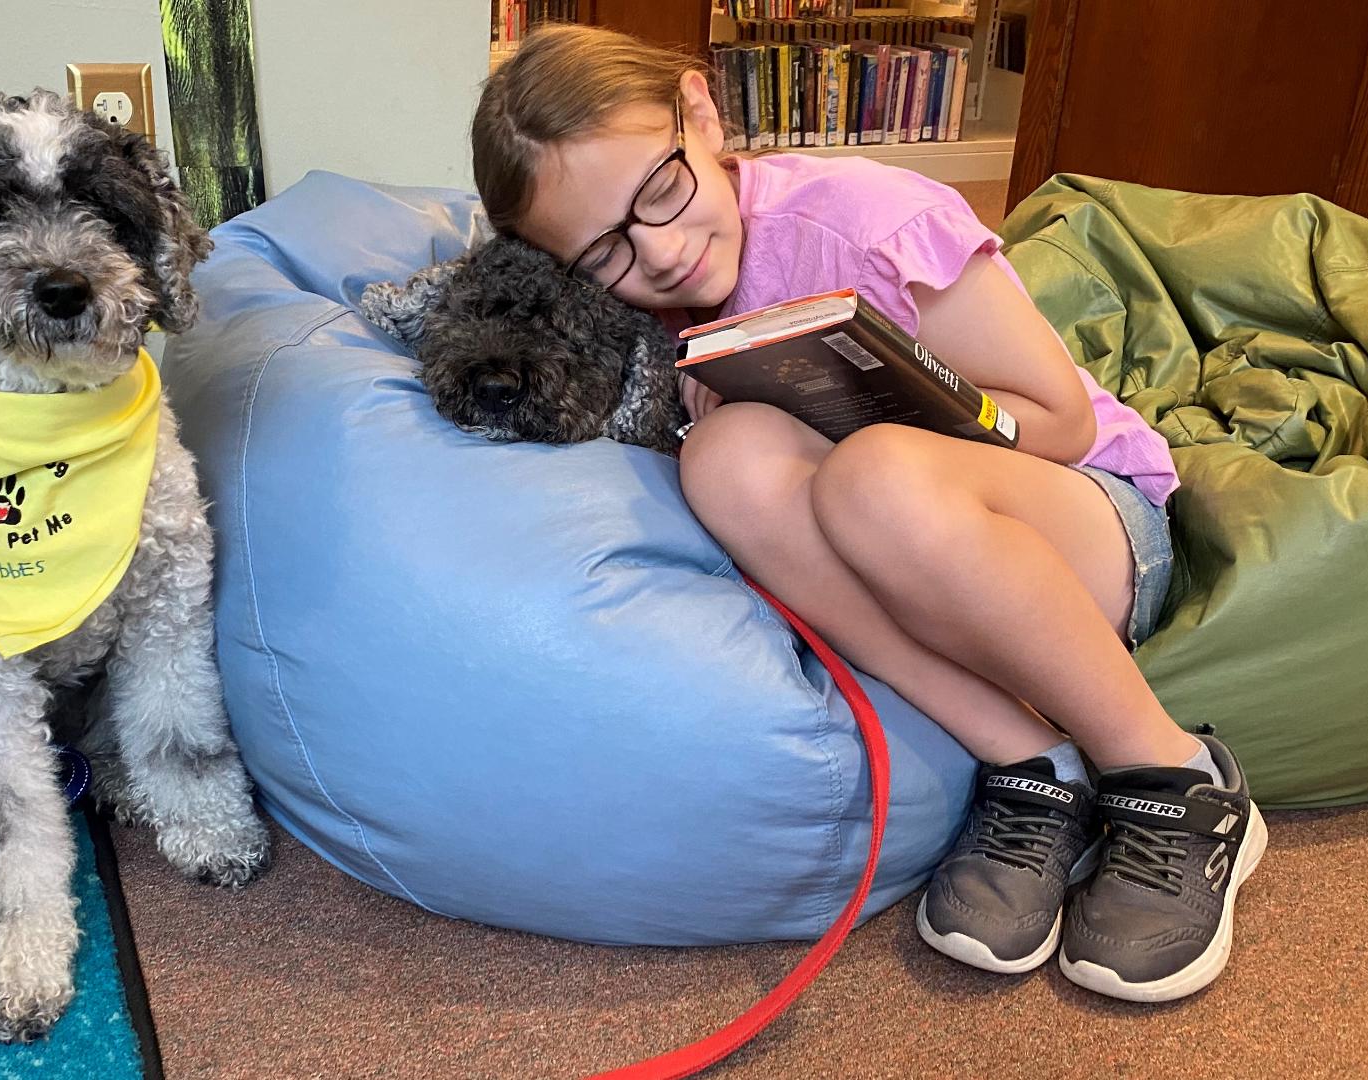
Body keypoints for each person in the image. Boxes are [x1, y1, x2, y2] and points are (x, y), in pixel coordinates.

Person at [469, 25, 1265, 1002]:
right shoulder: (639, 307)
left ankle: (1172, 775)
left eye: (663, 191)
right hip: (907, 559)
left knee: (877, 472)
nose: (663, 254)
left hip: (1090, 525)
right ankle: (1029, 764)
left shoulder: (863, 222)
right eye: (604, 253)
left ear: (705, 114)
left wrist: (877, 422)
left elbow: (1057, 420)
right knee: (723, 460)